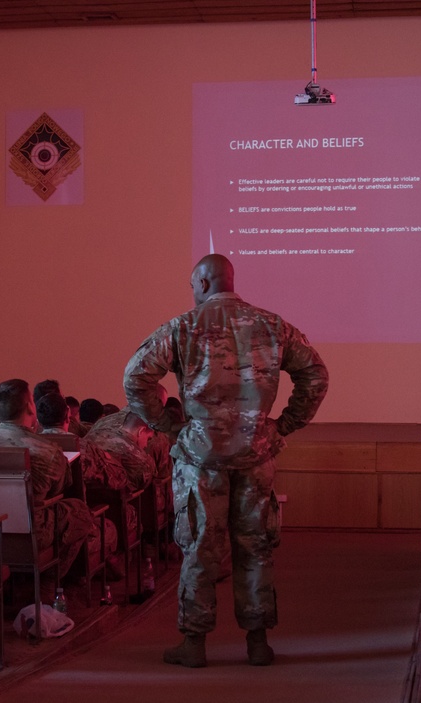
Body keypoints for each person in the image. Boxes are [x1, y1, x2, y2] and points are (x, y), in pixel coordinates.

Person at [124, 253, 329, 668]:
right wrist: (285, 424)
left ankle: (194, 644)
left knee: (200, 545)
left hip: (201, 457)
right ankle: (257, 643)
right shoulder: (273, 325)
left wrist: (167, 423)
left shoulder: (182, 327)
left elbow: (136, 377)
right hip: (256, 453)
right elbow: (316, 375)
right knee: (254, 546)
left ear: (201, 284)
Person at [0, 379, 105, 576]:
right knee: (80, 512)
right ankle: (51, 582)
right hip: (29, 534)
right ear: (30, 406)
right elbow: (62, 487)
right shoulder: (46, 450)